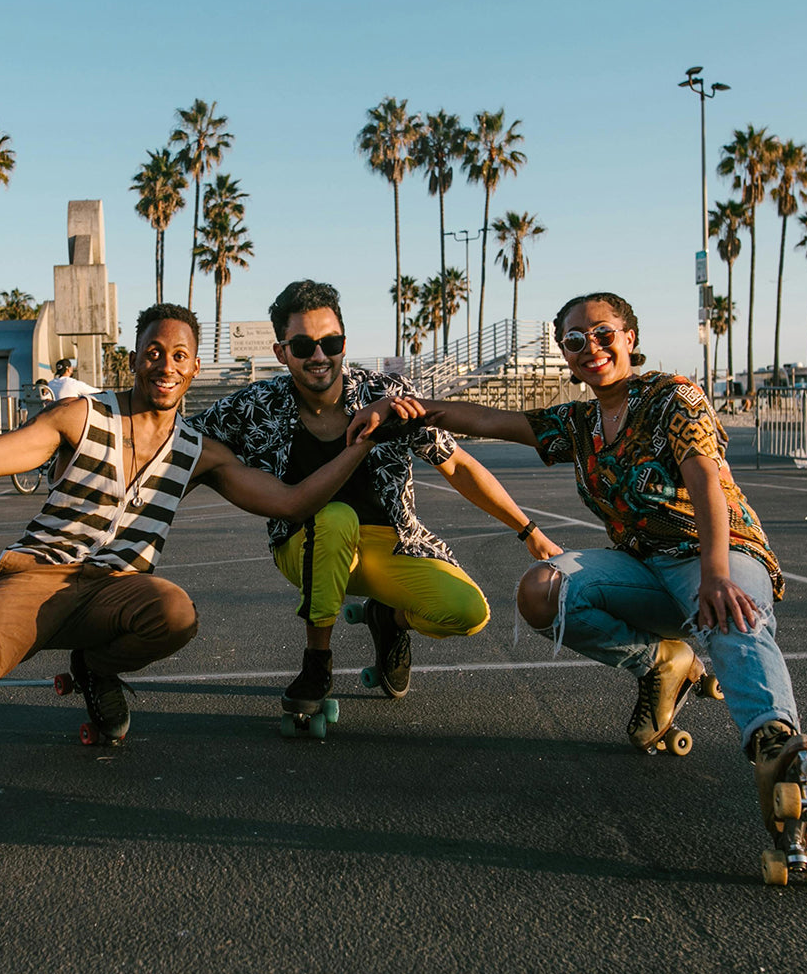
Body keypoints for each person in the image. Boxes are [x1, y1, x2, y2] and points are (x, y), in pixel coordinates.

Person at [0, 303, 393, 864]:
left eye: (180, 355)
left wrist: (361, 444)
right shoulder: (81, 417)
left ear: (193, 367)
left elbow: (291, 501)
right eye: (154, 352)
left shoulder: (198, 452)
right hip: (39, 575)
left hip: (116, 591)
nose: (166, 365)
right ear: (132, 359)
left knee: (175, 612)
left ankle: (95, 668)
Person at [350, 291, 807, 885]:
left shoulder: (671, 397)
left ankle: (775, 744)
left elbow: (705, 480)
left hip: (715, 551)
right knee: (543, 591)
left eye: (603, 333)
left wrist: (715, 570)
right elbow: (482, 419)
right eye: (574, 340)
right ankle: (662, 663)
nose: (591, 348)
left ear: (630, 337)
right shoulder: (579, 423)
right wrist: (403, 406)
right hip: (641, 567)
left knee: (729, 613)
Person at [188, 280, 559, 725]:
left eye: (331, 342)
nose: (319, 356)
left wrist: (528, 530)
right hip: (303, 546)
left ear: (345, 342)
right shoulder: (255, 407)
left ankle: (389, 621)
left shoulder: (385, 394)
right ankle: (317, 664)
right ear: (281, 351)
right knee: (335, 516)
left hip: (392, 543)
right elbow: (180, 447)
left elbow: (456, 464)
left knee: (467, 612)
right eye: (304, 345)